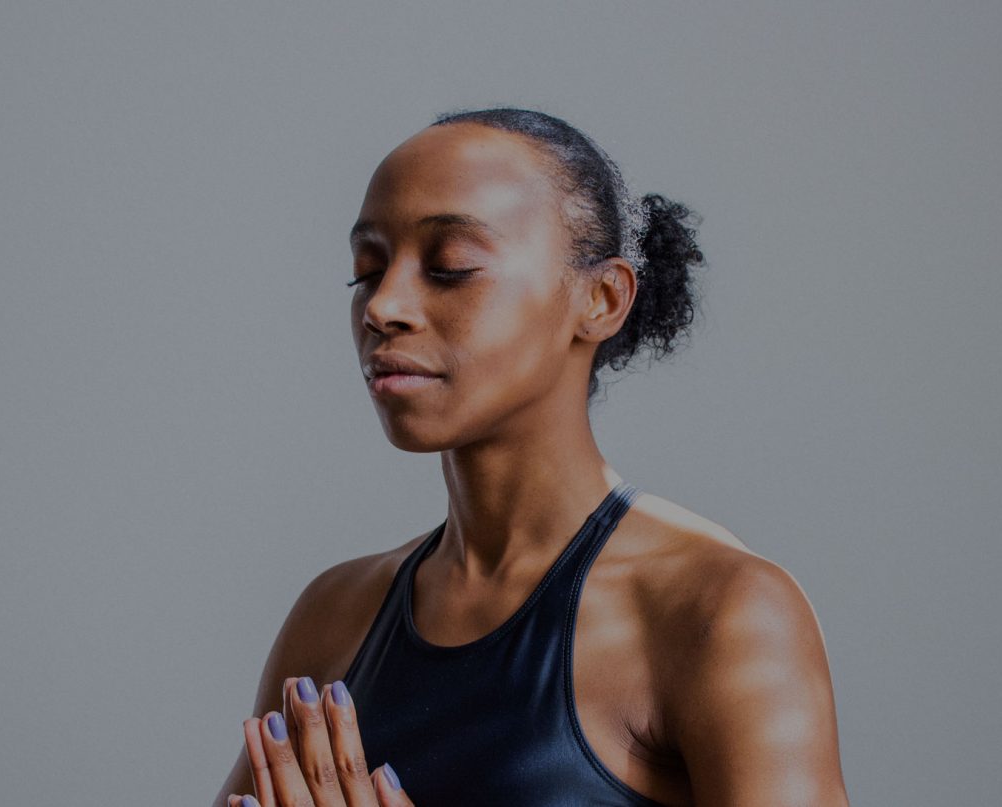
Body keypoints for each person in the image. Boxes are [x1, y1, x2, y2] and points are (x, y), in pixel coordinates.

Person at [215, 108, 849, 806]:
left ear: (601, 298)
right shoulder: (335, 616)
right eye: (367, 271)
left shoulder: (720, 612)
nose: (383, 306)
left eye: (450, 267)